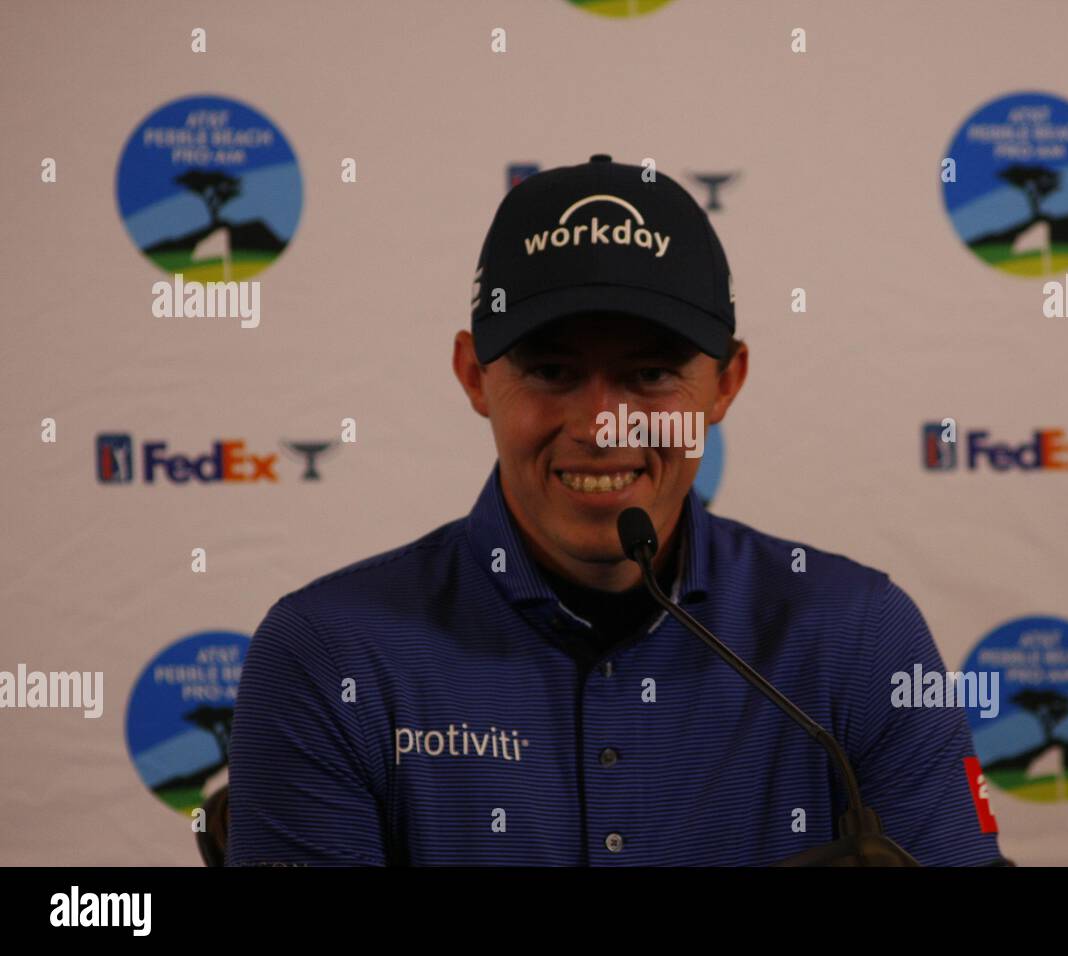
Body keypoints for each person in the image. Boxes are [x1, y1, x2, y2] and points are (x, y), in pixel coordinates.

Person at [226, 154, 1007, 866]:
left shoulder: (859, 635)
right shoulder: (328, 656)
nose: (604, 424)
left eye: (651, 375)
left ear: (726, 384)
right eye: (553, 370)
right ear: (473, 377)